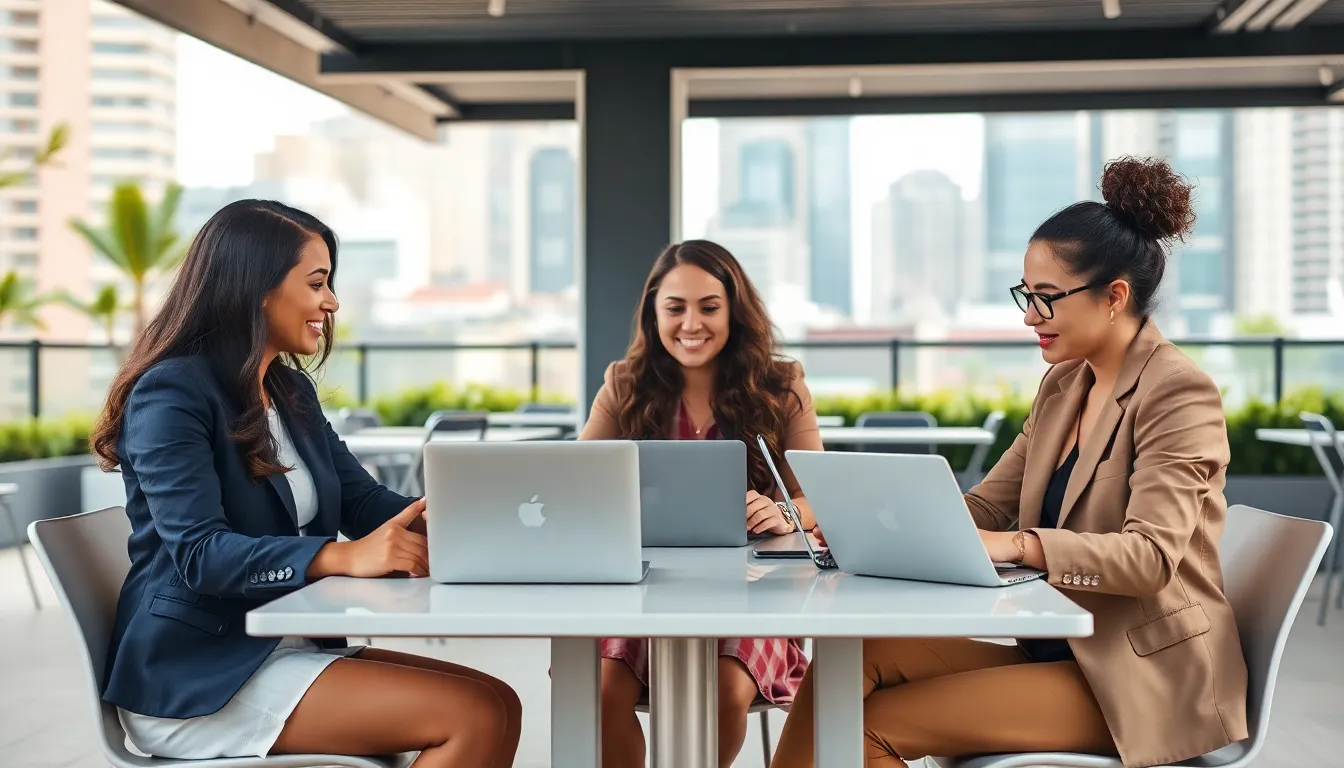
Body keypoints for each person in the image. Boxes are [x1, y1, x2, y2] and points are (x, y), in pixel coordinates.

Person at [771, 157, 1249, 768]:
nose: (1029, 316)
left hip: (1138, 678)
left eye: (1046, 299)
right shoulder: (1064, 386)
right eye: (1026, 295)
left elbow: (1151, 560)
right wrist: (871, 523)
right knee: (849, 659)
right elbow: (986, 505)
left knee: (868, 728)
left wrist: (1020, 546)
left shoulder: (1177, 392)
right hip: (1058, 651)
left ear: (1115, 297)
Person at [92, 200, 522, 768]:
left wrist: (465, 519)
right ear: (256, 287)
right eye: (317, 283)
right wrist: (340, 558)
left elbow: (364, 503)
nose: (332, 302)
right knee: (475, 715)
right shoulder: (172, 393)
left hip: (282, 647)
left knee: (501, 702)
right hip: (200, 674)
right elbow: (201, 554)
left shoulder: (289, 393)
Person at [580, 239, 823, 768]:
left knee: (723, 694)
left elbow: (820, 497)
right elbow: (577, 483)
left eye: (709, 307)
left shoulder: (782, 384)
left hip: (753, 592)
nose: (692, 323)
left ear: (735, 311)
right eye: (675, 308)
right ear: (654, 313)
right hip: (644, 590)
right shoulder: (624, 384)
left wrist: (784, 512)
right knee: (597, 694)